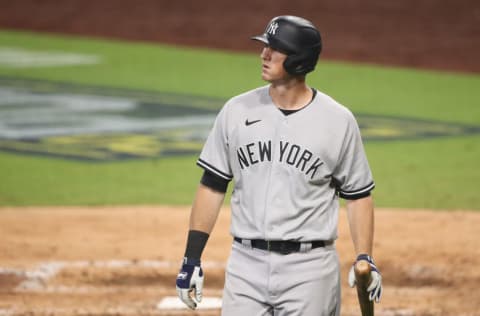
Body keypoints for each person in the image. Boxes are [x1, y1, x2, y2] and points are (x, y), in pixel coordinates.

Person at [175, 15, 382, 315]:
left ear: (299, 59)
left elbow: (358, 194)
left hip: (309, 271)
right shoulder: (236, 111)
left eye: (275, 48)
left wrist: (365, 255)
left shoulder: (337, 121)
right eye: (265, 46)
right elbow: (212, 184)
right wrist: (191, 258)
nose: (264, 54)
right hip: (245, 265)